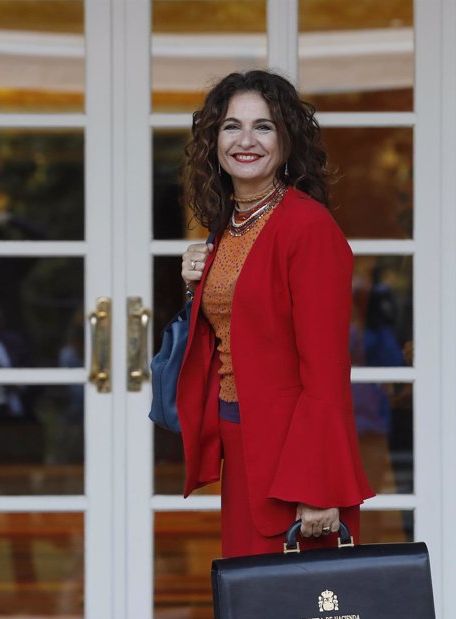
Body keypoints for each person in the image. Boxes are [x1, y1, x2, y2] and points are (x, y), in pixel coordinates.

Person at [176, 70, 374, 558]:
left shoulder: (307, 227)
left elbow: (326, 369)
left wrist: (319, 486)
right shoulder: (230, 225)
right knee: (251, 615)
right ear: (212, 141)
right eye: (231, 127)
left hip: (295, 460)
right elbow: (239, 329)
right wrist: (192, 288)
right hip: (242, 443)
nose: (246, 141)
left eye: (263, 127)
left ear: (288, 140)